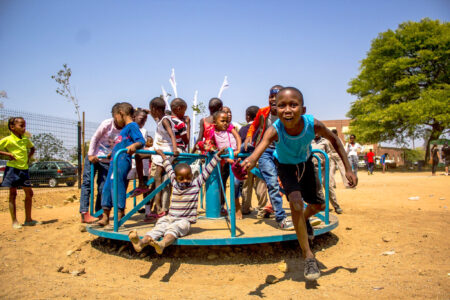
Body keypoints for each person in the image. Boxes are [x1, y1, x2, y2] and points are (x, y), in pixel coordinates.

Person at [241, 87, 357, 281]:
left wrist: (349, 169)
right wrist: (250, 160)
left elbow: (335, 140)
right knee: (295, 202)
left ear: (303, 109)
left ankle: (302, 220)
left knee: (318, 205)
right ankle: (308, 256)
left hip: (305, 163)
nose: (287, 109)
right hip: (285, 167)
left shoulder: (313, 125)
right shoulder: (274, 129)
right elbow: (258, 150)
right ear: (275, 110)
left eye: (293, 105)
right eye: (282, 105)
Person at [128, 148, 225, 254]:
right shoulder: (175, 183)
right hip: (170, 218)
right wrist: (163, 155)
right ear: (177, 178)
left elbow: (208, 170)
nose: (185, 181)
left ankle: (162, 244)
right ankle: (141, 242)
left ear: (192, 176)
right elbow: (168, 168)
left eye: (188, 177)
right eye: (181, 178)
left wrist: (217, 156)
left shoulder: (196, 184)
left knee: (173, 230)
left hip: (184, 221)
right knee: (158, 228)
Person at [244, 85, 294, 230]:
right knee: (272, 183)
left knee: (290, 183)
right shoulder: (263, 112)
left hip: (283, 151)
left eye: (276, 97)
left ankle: (302, 212)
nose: (273, 99)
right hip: (266, 151)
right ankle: (281, 218)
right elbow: (253, 126)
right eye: (271, 96)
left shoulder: (288, 113)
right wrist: (248, 137)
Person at [98, 102, 145, 226]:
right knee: (107, 187)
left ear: (121, 114)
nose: (115, 120)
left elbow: (141, 141)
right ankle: (105, 216)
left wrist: (134, 145)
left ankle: (119, 214)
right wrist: (112, 153)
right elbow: (121, 144)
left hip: (123, 160)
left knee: (117, 185)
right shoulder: (124, 130)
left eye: (115, 117)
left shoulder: (132, 126)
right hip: (114, 160)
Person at [79, 104, 121, 223]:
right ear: (116, 115)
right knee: (87, 183)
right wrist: (91, 154)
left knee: (103, 187)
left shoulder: (124, 128)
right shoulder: (107, 124)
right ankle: (84, 212)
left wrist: (112, 153)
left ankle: (99, 211)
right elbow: (95, 138)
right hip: (94, 157)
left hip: (106, 160)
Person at [0, 117, 37, 229]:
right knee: (13, 194)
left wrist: (28, 158)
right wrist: (8, 155)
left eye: (25, 125)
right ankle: (14, 221)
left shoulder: (25, 139)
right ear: (12, 127)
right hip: (12, 169)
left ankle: (28, 219)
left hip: (24, 170)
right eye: (21, 126)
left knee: (29, 193)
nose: (24, 128)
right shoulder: (8, 139)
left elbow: (32, 148)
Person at [147, 97, 181, 217]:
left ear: (155, 109)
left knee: (157, 178)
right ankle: (157, 207)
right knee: (157, 179)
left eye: (152, 109)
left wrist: (175, 149)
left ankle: (159, 207)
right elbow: (153, 115)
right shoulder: (160, 119)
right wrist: (145, 111)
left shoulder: (165, 120)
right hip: (161, 150)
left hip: (166, 151)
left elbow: (172, 134)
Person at [237, 106, 268, 218]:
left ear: (247, 117)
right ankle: (262, 210)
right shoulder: (262, 129)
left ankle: (245, 208)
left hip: (246, 160)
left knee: (246, 185)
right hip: (260, 158)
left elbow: (239, 144)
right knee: (261, 185)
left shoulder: (243, 129)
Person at [210, 110, 241, 216]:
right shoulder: (212, 131)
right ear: (215, 122)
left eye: (226, 121)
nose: (225, 123)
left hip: (234, 157)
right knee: (222, 183)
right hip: (223, 160)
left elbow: (237, 137)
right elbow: (210, 142)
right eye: (222, 121)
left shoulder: (229, 127)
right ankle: (222, 206)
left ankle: (237, 206)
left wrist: (238, 150)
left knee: (236, 182)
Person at [311, 134, 343, 214]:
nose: (316, 134)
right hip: (313, 167)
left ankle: (336, 206)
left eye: (318, 132)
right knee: (318, 188)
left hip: (323, 167)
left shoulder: (325, 141)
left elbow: (329, 153)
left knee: (328, 186)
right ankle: (321, 206)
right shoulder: (309, 141)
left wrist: (326, 159)